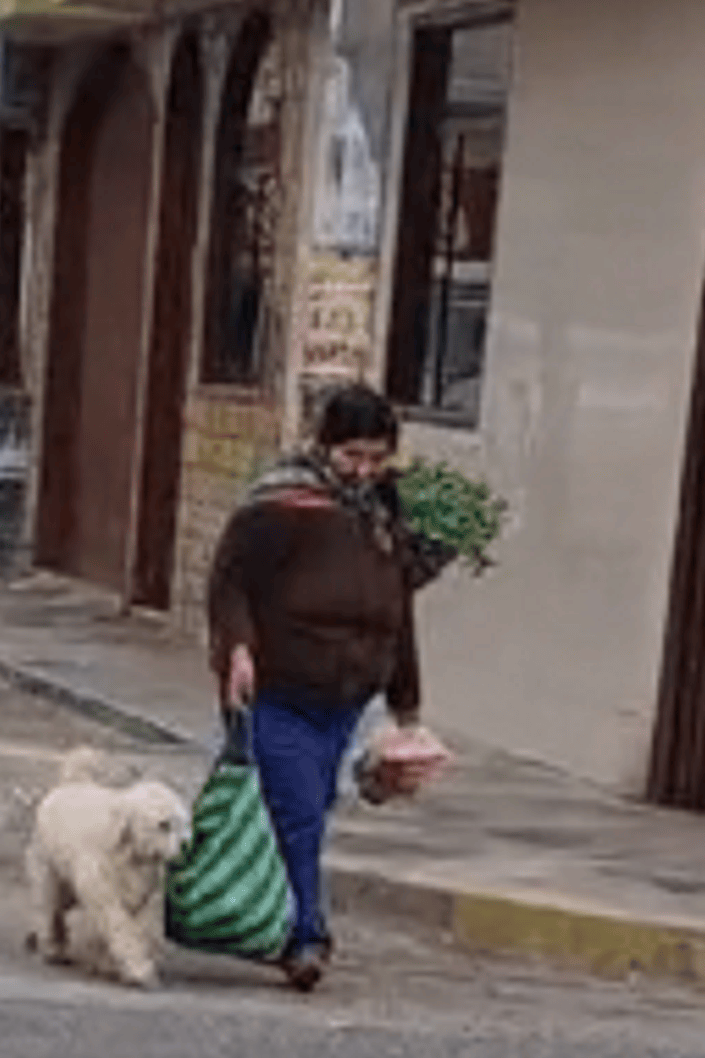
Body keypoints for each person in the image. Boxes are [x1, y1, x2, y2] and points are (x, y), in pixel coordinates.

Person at [205, 382, 426, 992]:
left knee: (309, 811)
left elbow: (400, 609)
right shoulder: (279, 505)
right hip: (281, 686)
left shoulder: (383, 513)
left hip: (347, 697)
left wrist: (406, 706)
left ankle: (270, 917)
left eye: (377, 457)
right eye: (352, 455)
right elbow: (230, 584)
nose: (364, 470)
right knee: (299, 811)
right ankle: (307, 936)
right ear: (324, 445)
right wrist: (237, 650)